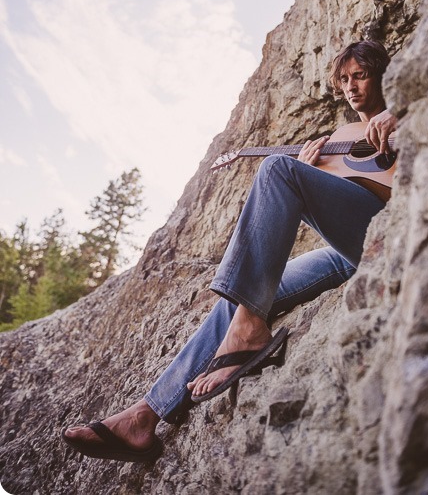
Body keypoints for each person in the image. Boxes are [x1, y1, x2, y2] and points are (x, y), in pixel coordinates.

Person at [62, 39, 397, 463]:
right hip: (345, 250)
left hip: (393, 232)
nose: (350, 87)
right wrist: (313, 174)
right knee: (243, 297)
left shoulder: (412, 103)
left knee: (276, 168)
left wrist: (402, 109)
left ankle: (246, 334)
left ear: (384, 74)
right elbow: (341, 191)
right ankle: (144, 416)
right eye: (343, 79)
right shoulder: (345, 136)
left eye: (360, 75)